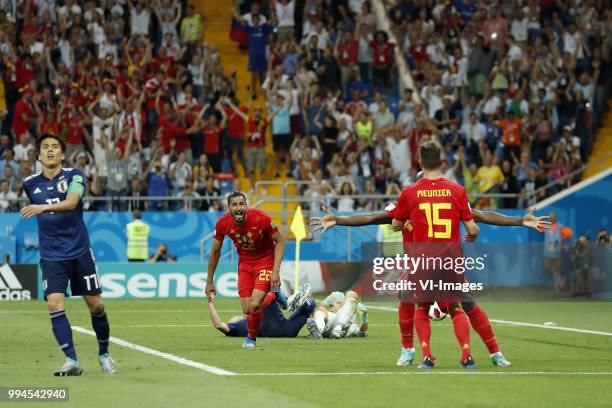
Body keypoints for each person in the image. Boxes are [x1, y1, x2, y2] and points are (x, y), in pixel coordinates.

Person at [20, 134, 115, 376]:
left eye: (55, 147)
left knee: (95, 304)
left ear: (62, 154)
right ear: (39, 156)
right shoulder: (30, 183)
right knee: (54, 303)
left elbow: (72, 202)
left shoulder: (75, 175)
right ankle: (72, 360)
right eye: (45, 147)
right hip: (52, 255)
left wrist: (43, 207)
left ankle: (104, 354)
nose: (50, 150)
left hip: (80, 251)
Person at [390, 140, 480, 369]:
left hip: (423, 261)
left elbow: (394, 224)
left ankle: (426, 356)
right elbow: (472, 228)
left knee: (421, 306)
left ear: (420, 162)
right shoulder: (457, 190)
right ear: (442, 161)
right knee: (456, 307)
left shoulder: (410, 193)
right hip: (450, 261)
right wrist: (472, 235)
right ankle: (467, 356)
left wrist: (408, 220)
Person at [206, 191, 286, 348]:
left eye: (241, 204)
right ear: (229, 207)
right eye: (234, 205)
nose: (238, 208)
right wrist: (209, 282)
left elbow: (280, 241)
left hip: (265, 261)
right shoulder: (222, 224)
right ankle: (274, 295)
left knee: (255, 304)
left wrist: (275, 271)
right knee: (247, 309)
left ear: (246, 205)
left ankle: (251, 338)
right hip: (245, 264)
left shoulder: (261, 218)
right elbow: (215, 251)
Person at [208, 284, 316, 338]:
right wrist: (210, 302)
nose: (234, 317)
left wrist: (210, 303)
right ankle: (287, 302)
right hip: (274, 327)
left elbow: (218, 325)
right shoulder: (238, 326)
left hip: (284, 331)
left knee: (310, 304)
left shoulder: (239, 330)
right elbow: (219, 325)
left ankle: (289, 301)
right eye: (232, 319)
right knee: (268, 287)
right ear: (233, 322)